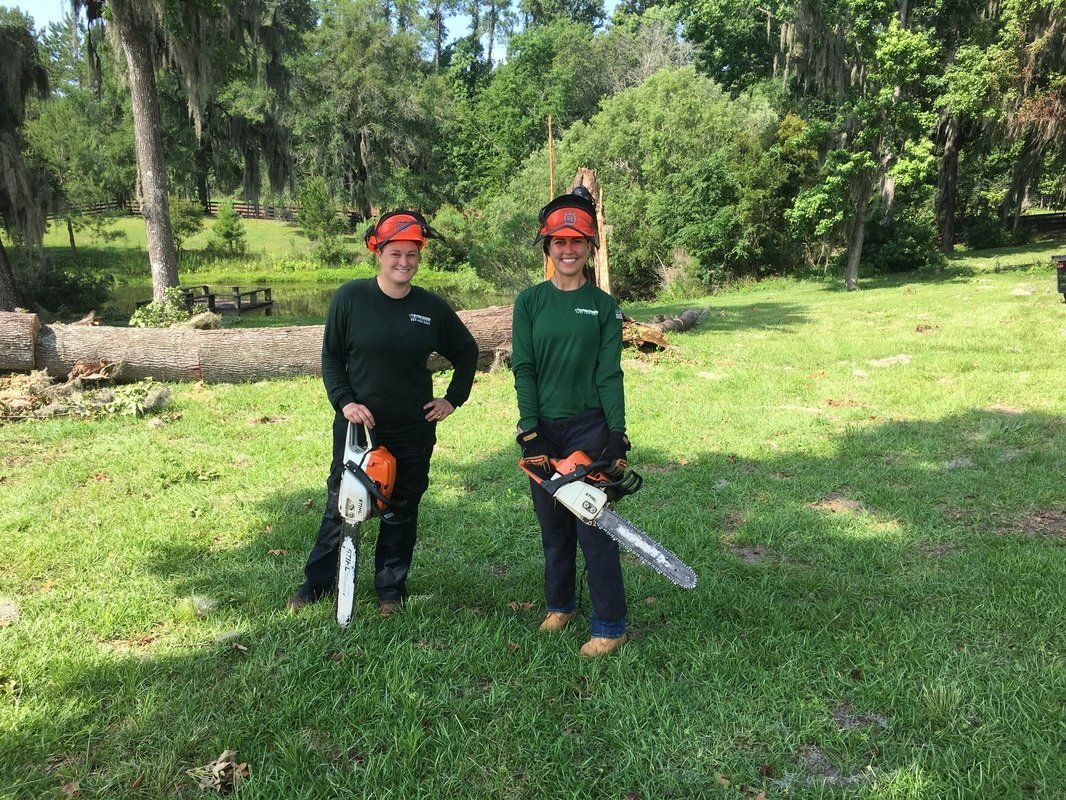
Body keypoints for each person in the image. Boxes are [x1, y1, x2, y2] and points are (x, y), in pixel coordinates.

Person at [288, 210, 478, 616]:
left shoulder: (431, 308)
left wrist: (452, 398)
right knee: (342, 503)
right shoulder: (350, 298)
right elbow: (332, 358)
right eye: (396, 253)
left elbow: (467, 351)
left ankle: (390, 590)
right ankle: (316, 585)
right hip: (360, 428)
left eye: (412, 254)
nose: (404, 262)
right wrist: (345, 401)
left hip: (413, 426)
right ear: (378, 252)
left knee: (401, 508)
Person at [511, 189, 632, 657]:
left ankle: (610, 623)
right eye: (559, 241)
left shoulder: (603, 307)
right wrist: (530, 430)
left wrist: (617, 434)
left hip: (589, 428)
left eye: (577, 242)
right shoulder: (530, 302)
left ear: (590, 247)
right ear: (547, 246)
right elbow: (524, 368)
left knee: (594, 528)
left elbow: (609, 373)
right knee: (553, 526)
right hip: (544, 428)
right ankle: (560, 604)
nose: (568, 250)